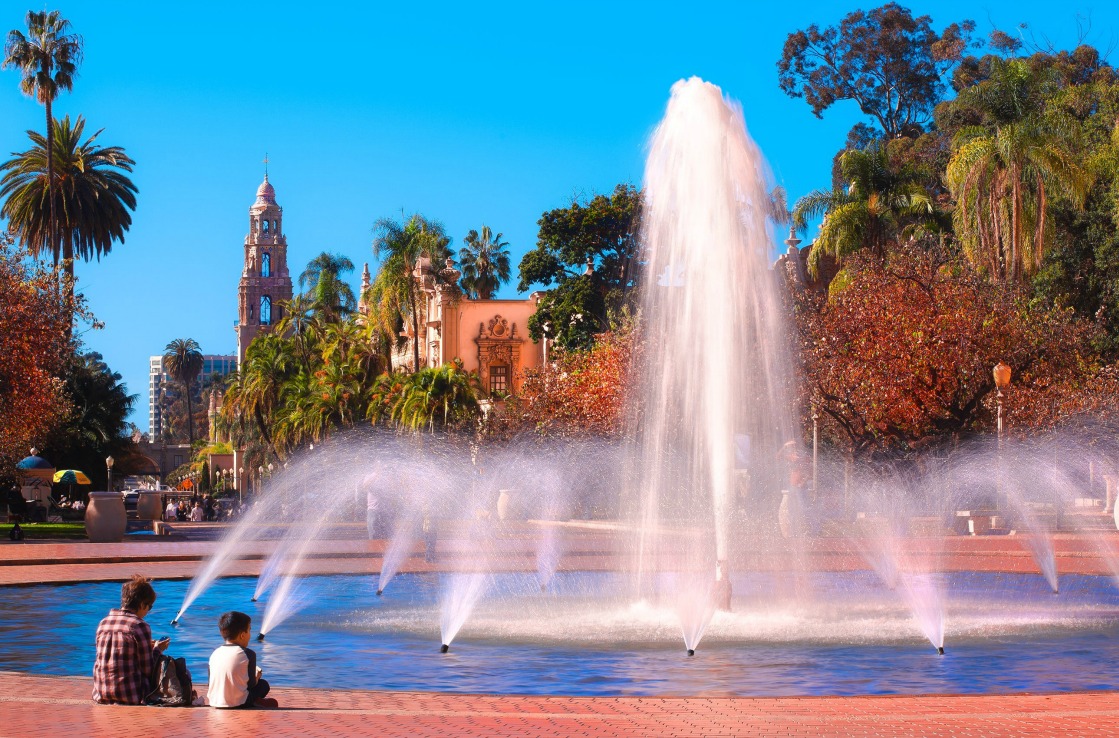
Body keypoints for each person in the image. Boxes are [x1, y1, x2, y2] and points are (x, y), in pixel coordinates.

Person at [93, 575, 170, 704]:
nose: (148, 611)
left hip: (101, 692)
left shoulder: (103, 623)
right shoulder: (139, 625)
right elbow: (148, 669)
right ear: (141, 604)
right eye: (149, 607)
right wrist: (158, 649)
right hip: (131, 693)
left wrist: (146, 646)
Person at [207, 611, 278, 709]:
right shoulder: (248, 654)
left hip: (215, 702)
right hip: (240, 702)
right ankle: (254, 702)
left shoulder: (214, 654)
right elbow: (251, 684)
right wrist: (256, 677)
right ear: (242, 635)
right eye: (249, 630)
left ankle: (256, 702)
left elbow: (211, 682)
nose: (250, 635)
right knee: (263, 685)